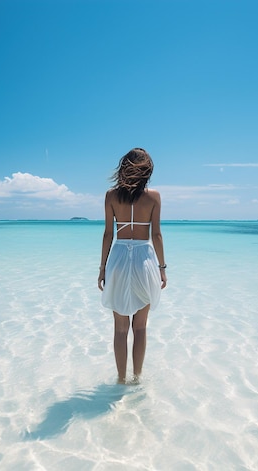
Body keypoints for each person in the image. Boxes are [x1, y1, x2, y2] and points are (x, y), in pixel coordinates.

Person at [98, 148, 167, 384]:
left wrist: (102, 268)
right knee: (140, 327)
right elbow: (156, 235)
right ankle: (137, 379)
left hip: (117, 257)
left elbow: (108, 234)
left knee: (119, 328)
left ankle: (120, 379)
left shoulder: (110, 196)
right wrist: (162, 268)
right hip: (143, 258)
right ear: (147, 170)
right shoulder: (154, 197)